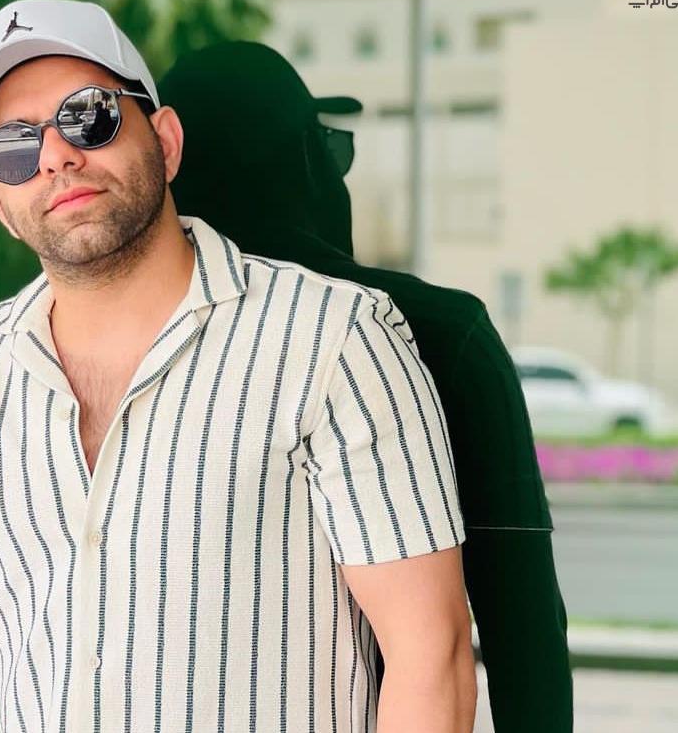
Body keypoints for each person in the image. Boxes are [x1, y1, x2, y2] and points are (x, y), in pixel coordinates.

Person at [0, 0, 476, 733]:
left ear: (166, 142)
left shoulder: (333, 339)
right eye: (13, 146)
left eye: (89, 116)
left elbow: (432, 657)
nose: (56, 156)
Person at [158, 39, 575, 732]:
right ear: (307, 161)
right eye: (330, 148)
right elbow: (524, 625)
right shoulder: (439, 333)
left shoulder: (118, 345)